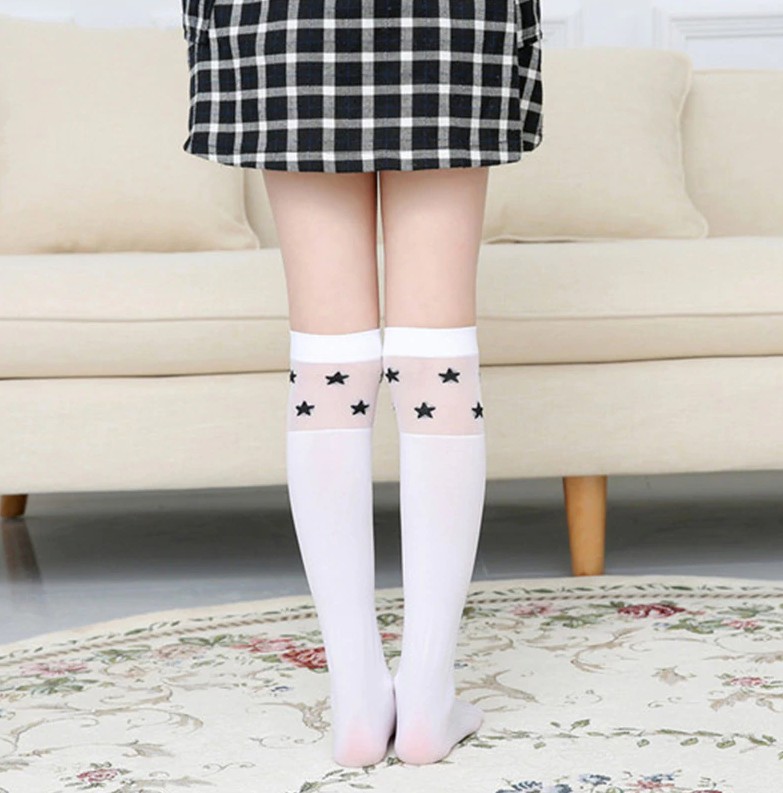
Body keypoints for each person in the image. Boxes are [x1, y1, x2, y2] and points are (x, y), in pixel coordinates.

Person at [180, 0, 543, 768]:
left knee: (327, 357)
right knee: (438, 351)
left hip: (284, 21)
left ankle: (355, 695)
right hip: (445, 22)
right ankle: (427, 695)